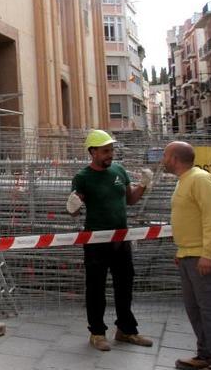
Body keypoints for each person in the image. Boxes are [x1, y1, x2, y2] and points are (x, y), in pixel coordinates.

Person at [67, 129, 154, 351]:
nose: (110, 154)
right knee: (95, 286)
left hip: (121, 239)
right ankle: (97, 333)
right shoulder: (83, 177)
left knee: (124, 284)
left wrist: (142, 185)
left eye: (111, 150)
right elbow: (75, 210)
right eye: (105, 151)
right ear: (93, 152)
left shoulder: (119, 170)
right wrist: (73, 207)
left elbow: (130, 199)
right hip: (96, 242)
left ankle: (126, 330)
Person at [161, 141, 211, 370]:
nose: (163, 159)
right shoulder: (185, 181)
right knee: (195, 309)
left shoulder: (200, 179)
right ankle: (205, 354)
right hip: (189, 254)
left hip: (203, 257)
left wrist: (208, 254)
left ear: (175, 159)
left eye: (165, 155)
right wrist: (182, 250)